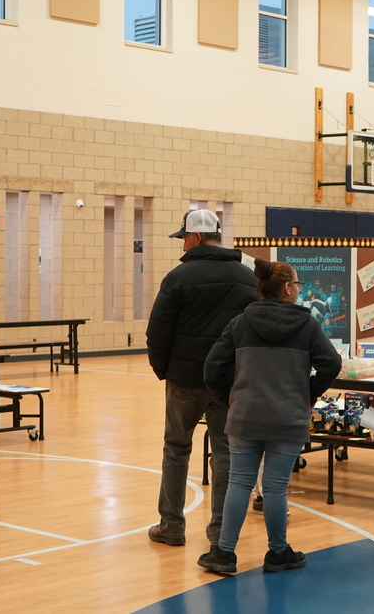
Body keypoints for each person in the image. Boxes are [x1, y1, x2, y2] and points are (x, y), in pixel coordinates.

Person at [198, 260, 341, 575]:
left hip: (245, 415)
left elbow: (212, 369)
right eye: (298, 285)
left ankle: (223, 553)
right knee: (275, 487)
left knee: (239, 482)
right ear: (288, 288)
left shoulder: (240, 322)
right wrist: (309, 394)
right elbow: (331, 363)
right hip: (288, 418)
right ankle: (278, 554)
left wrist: (229, 398)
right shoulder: (307, 325)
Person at [145, 210, 257, 556]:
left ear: (194, 238)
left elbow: (157, 332)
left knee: (176, 449)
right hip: (229, 381)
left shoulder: (178, 277)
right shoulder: (247, 277)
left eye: (183, 238)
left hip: (185, 379)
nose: (182, 244)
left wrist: (165, 370)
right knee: (225, 452)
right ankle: (220, 532)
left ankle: (172, 526)